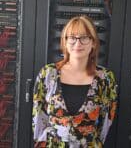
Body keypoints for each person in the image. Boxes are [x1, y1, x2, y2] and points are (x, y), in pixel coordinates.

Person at [32, 15, 118, 148]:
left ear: (93, 42)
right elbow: (38, 118)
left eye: (84, 38)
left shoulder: (105, 79)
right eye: (72, 38)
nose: (77, 44)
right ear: (65, 42)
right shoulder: (48, 74)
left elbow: (105, 123)